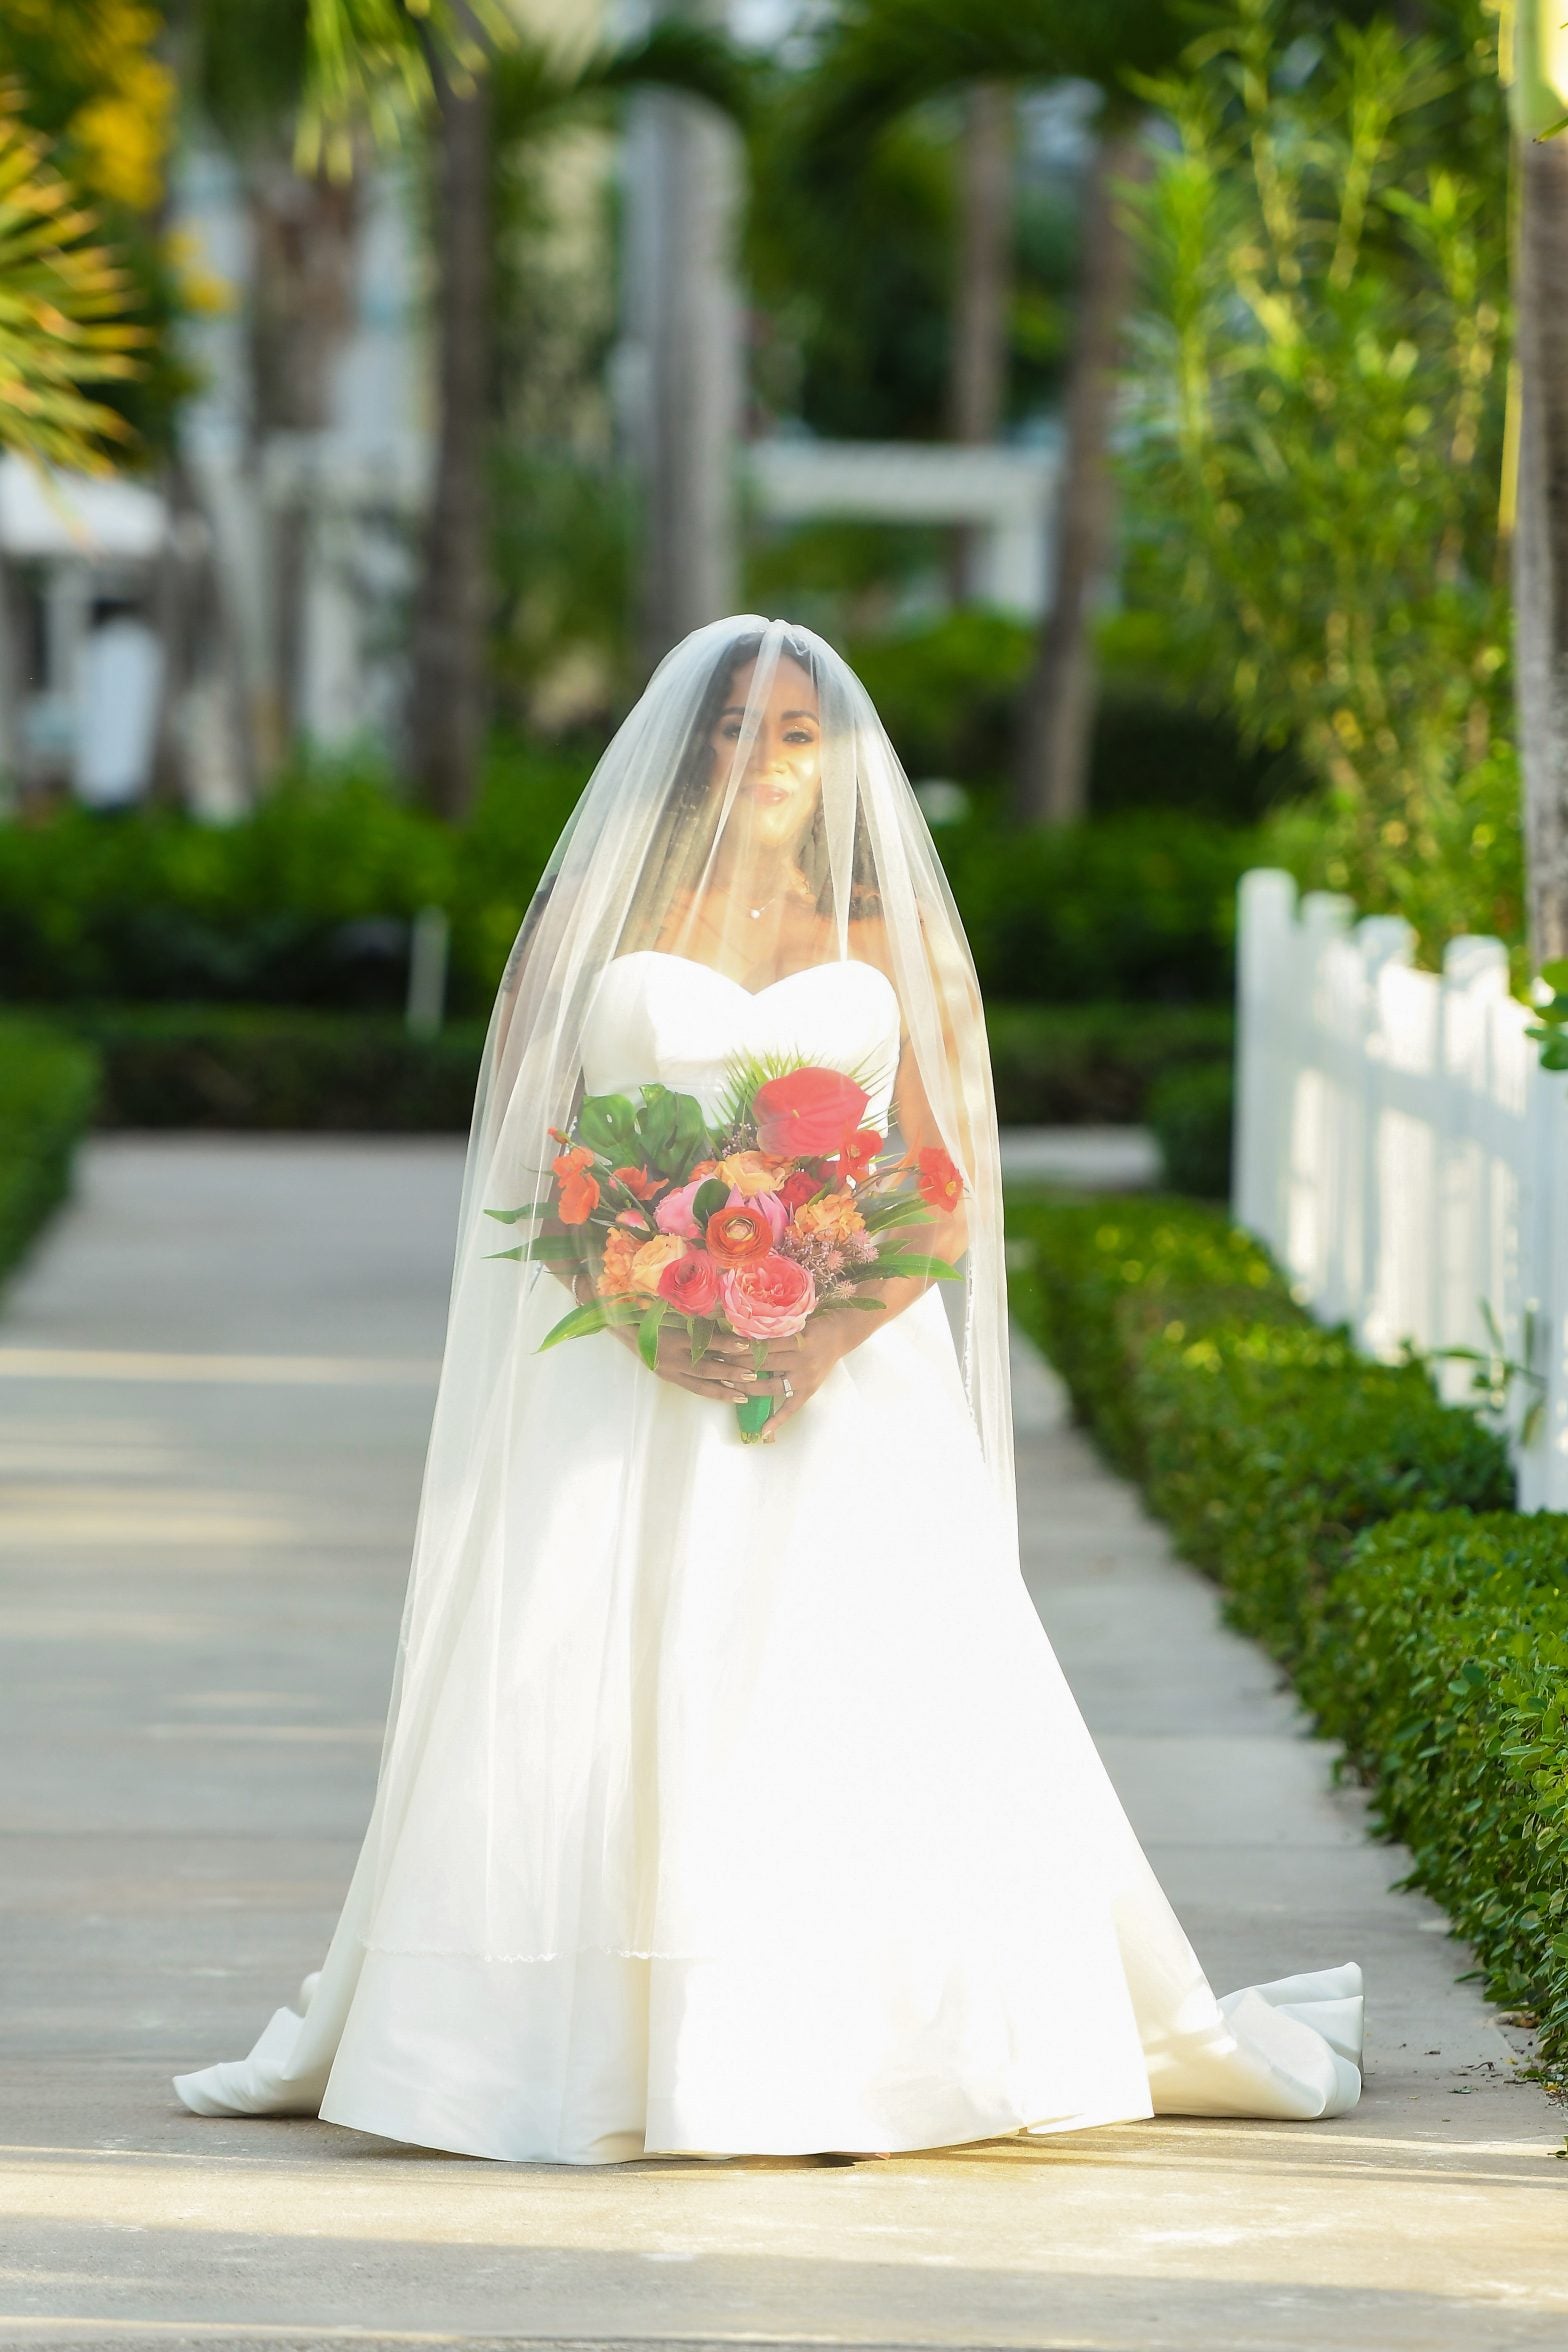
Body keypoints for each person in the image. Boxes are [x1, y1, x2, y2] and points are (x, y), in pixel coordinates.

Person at [172, 616, 1362, 2163]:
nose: (760, 759)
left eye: (794, 734)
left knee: (838, 1697)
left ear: (839, 760)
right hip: (623, 1374)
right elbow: (543, 1153)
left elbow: (939, 1188)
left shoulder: (889, 948)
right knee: (590, 1688)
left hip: (840, 1391)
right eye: (734, 729)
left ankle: (846, 2059)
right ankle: (569, 2054)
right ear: (686, 751)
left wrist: (806, 1335)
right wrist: (651, 1302)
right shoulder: (597, 923)